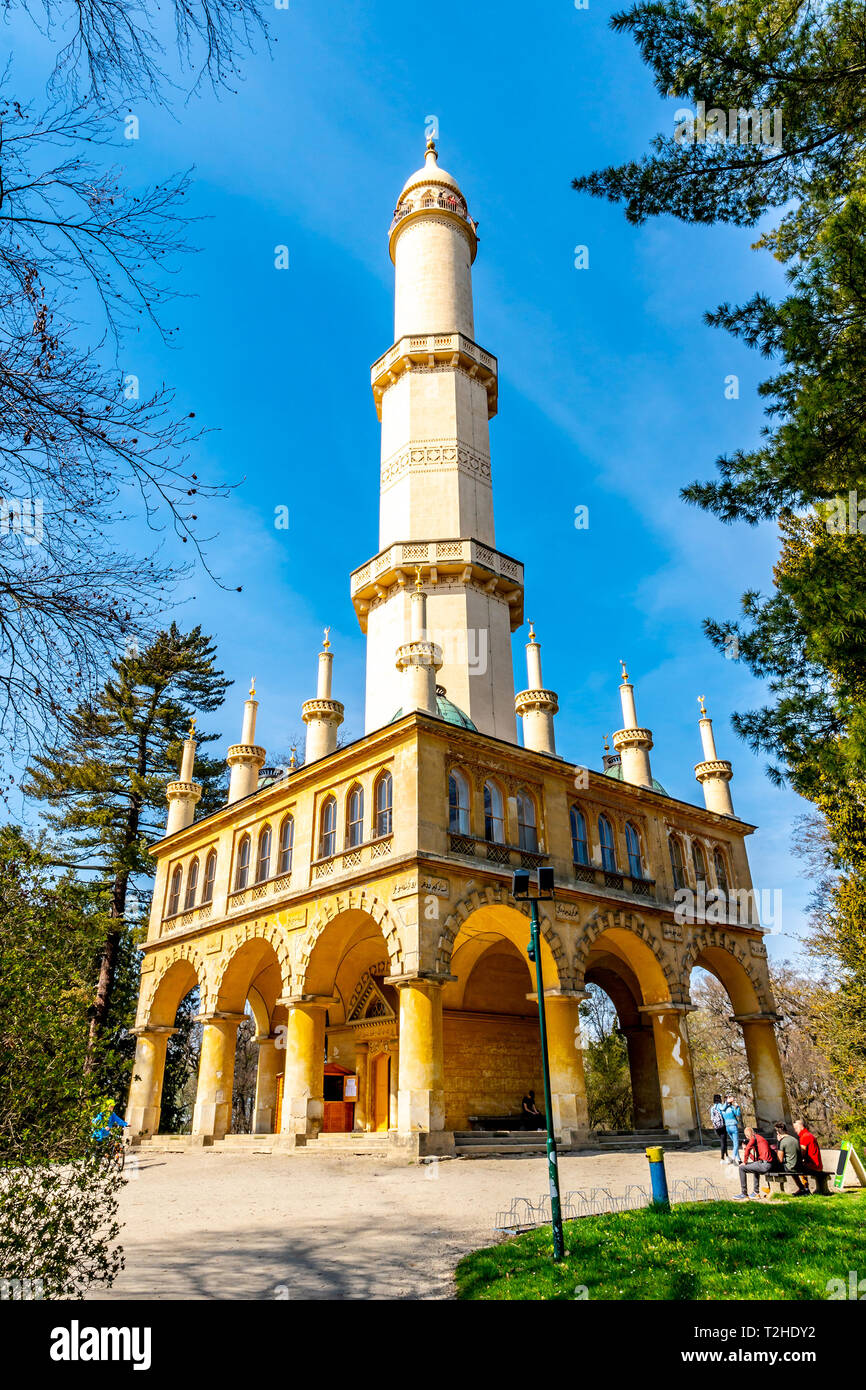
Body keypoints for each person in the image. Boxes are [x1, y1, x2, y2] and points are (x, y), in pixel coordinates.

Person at [733, 1126, 774, 1199]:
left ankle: (744, 1194)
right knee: (755, 1166)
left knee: (741, 1168)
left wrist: (745, 1162)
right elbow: (756, 1160)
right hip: (765, 1163)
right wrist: (747, 1150)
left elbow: (748, 1148)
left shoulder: (753, 1138)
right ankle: (756, 1193)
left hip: (765, 1164)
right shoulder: (758, 1138)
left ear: (747, 1136)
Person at [774, 1121, 809, 1195]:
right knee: (791, 1164)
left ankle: (776, 1191)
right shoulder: (795, 1139)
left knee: (772, 1167)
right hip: (798, 1166)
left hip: (790, 1167)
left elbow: (779, 1160)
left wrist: (778, 1142)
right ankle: (802, 1188)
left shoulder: (782, 1142)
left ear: (778, 1133)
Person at [793, 1119, 823, 1193]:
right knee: (799, 1166)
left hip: (813, 1166)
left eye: (796, 1128)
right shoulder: (809, 1135)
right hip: (817, 1165)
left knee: (792, 1168)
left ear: (801, 1127)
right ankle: (805, 1187)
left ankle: (802, 1188)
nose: (795, 1131)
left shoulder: (805, 1136)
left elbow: (802, 1153)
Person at [719, 1094, 742, 1164]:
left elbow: (722, 1109)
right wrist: (737, 1106)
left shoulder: (722, 1108)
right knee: (736, 1144)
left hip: (727, 1127)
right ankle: (733, 1158)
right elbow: (738, 1114)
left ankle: (739, 1159)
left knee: (735, 1144)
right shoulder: (732, 1107)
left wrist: (727, 1102)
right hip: (733, 1127)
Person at [710, 1093, 728, 1163]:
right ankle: (722, 1158)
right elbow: (723, 1108)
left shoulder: (712, 1108)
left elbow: (711, 1118)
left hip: (716, 1127)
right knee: (724, 1142)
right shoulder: (719, 1105)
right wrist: (726, 1102)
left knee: (722, 1141)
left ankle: (726, 1156)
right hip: (722, 1126)